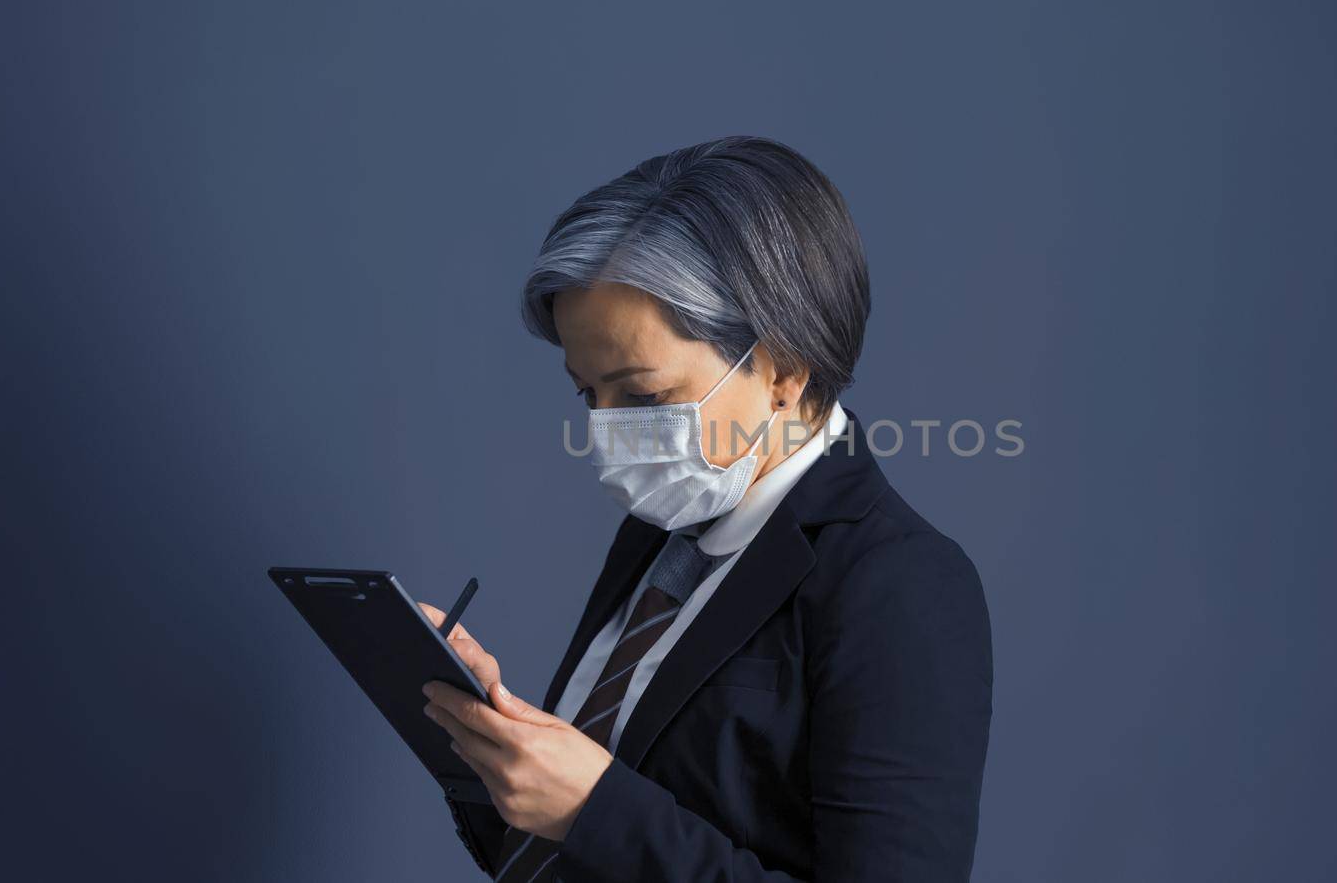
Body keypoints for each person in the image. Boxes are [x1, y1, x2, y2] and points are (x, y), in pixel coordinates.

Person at [418, 135, 993, 882]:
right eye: (588, 395)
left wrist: (594, 807)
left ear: (783, 368)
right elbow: (576, 845)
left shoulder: (900, 586)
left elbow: (607, 821)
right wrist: (487, 740)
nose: (607, 430)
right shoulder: (656, 538)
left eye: (644, 395)